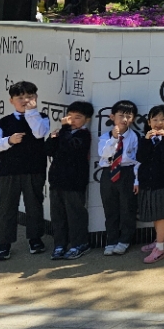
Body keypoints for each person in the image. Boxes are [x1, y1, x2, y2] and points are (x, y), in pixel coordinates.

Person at [45, 100, 95, 260]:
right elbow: (49, 150)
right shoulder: (62, 133)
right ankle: (60, 244)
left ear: (87, 119)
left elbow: (71, 148)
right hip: (57, 181)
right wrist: (52, 138)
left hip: (74, 182)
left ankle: (79, 244)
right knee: (58, 215)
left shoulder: (84, 135)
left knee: (75, 215)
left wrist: (64, 129)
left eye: (77, 117)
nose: (72, 120)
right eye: (70, 116)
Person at [136, 105, 164, 264]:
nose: (158, 123)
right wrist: (147, 141)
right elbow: (140, 158)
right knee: (155, 215)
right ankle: (161, 240)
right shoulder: (145, 139)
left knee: (160, 216)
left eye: (163, 119)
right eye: (154, 119)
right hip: (148, 183)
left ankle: (160, 248)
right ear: (149, 122)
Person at [98, 99, 141, 256]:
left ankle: (125, 240)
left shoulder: (135, 136)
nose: (124, 119)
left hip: (127, 172)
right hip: (109, 172)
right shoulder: (105, 136)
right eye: (121, 115)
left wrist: (136, 180)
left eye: (128, 116)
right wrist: (114, 139)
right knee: (110, 208)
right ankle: (111, 240)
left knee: (127, 208)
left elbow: (138, 160)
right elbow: (103, 154)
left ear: (133, 119)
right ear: (112, 117)